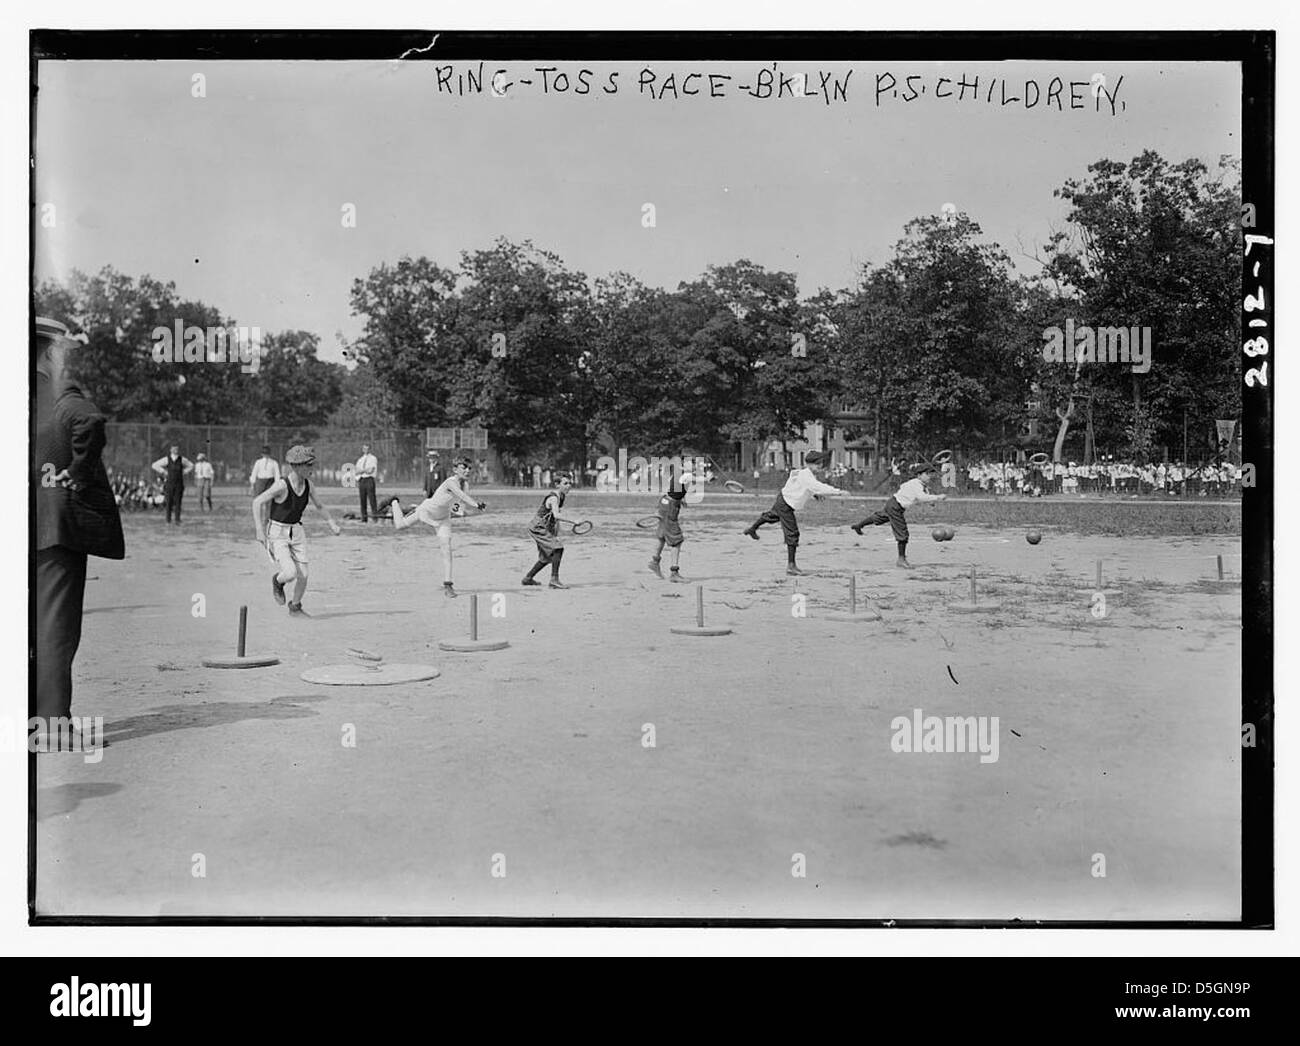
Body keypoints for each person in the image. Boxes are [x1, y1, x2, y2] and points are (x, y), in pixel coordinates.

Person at [34, 317, 125, 744]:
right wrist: (77, 471)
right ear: (50, 353)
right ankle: (51, 727)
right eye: (64, 352)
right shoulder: (58, 395)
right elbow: (91, 422)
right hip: (56, 525)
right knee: (56, 624)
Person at [252, 444, 341, 616]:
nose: (312, 468)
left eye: (312, 464)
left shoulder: (309, 485)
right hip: (277, 532)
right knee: (290, 573)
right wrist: (259, 530)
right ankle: (277, 582)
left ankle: (295, 606)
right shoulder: (282, 485)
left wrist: (332, 523)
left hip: (296, 530)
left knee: (304, 575)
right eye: (309, 465)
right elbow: (257, 502)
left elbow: (320, 506)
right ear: (297, 466)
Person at [385, 457, 486, 599]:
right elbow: (461, 495)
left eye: (469, 468)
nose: (467, 471)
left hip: (443, 518)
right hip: (426, 511)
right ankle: (394, 501)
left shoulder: (466, 485)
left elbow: (457, 505)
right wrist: (476, 505)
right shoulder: (451, 482)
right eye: (464, 467)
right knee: (399, 525)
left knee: (446, 548)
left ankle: (448, 584)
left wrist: (464, 513)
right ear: (455, 469)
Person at [742, 451, 848, 576]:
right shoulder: (806, 476)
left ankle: (752, 529)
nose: (820, 466)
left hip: (783, 499)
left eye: (821, 463)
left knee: (770, 516)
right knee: (792, 533)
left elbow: (807, 487)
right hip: (786, 504)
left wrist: (815, 495)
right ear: (810, 464)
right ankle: (791, 566)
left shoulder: (805, 474)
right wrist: (838, 492)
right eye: (817, 463)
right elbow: (817, 486)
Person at [851, 461, 946, 569]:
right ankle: (901, 560)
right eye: (927, 474)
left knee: (879, 517)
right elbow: (920, 497)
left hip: (893, 503)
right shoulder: (916, 484)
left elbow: (915, 493)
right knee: (902, 532)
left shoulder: (918, 484)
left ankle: (859, 525)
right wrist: (937, 497)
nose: (930, 476)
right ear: (919, 475)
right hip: (896, 507)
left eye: (931, 474)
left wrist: (930, 500)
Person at [522, 473, 573, 589]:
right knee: (558, 548)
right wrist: (574, 521)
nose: (568, 486)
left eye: (570, 483)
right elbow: (556, 514)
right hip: (538, 527)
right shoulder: (554, 498)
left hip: (543, 527)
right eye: (565, 483)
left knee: (546, 557)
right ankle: (554, 580)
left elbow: (553, 517)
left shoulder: (562, 496)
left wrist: (555, 531)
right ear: (557, 485)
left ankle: (528, 578)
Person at [648, 469, 690, 582]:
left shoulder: (679, 471)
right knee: (677, 540)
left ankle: (654, 562)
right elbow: (690, 479)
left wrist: (682, 498)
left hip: (665, 502)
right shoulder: (686, 473)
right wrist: (708, 478)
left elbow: (677, 487)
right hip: (670, 507)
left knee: (662, 536)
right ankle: (674, 572)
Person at [151, 444, 194, 525]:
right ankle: (168, 520)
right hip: (169, 483)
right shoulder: (166, 459)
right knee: (169, 502)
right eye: (174, 449)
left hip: (179, 484)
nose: (176, 450)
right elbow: (154, 465)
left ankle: (177, 520)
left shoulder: (182, 459)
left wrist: (184, 472)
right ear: (171, 450)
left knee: (178, 502)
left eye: (177, 449)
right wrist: (164, 472)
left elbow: (191, 465)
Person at [355, 442, 379, 522]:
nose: (366, 450)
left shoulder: (373, 458)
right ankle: (364, 518)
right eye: (364, 448)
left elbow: (371, 470)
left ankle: (375, 517)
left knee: (372, 499)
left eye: (367, 448)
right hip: (362, 480)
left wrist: (362, 470)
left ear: (370, 449)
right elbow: (357, 471)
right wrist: (364, 470)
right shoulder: (360, 460)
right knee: (362, 500)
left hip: (369, 480)